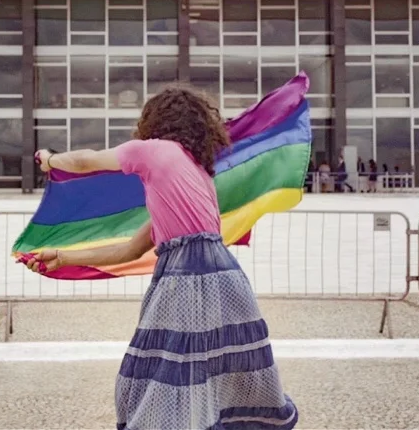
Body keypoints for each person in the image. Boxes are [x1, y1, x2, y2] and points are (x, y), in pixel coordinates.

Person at [28, 85, 298, 430]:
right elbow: (130, 249)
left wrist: (49, 160)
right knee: (216, 376)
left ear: (153, 122)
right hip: (225, 280)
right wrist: (63, 257)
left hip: (185, 279)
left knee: (164, 374)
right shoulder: (195, 175)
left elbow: (85, 161)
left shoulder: (153, 151)